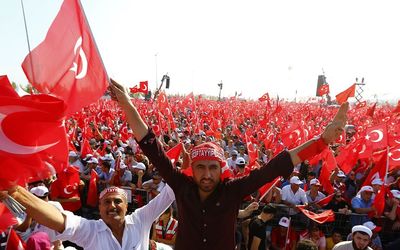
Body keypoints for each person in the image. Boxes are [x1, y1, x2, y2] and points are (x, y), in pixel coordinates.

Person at [110, 79, 348, 250]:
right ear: (192, 169)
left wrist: (323, 140)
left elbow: (275, 166)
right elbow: (152, 147)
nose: (206, 174)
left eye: (213, 167)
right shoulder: (181, 186)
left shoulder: (233, 190)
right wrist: (129, 106)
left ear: (221, 168)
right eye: (200, 167)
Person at [0, 184, 175, 250]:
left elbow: (168, 194)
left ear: (126, 205)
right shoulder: (90, 231)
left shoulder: (141, 220)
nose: (112, 206)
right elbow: (59, 219)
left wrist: (186, 171)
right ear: (99, 208)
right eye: (106, 202)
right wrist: (16, 192)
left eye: (117, 201)